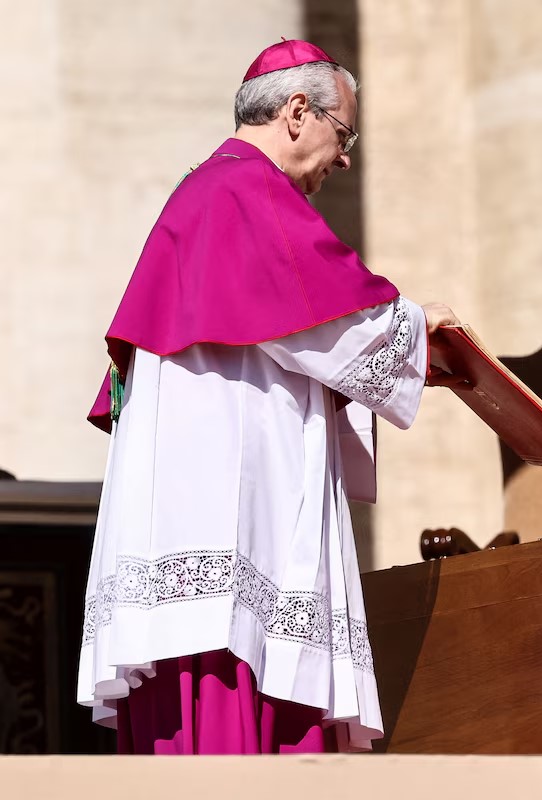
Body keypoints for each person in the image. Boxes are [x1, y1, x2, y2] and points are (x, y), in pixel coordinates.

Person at [77, 39, 461, 754]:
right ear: (296, 112)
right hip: (225, 517)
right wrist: (416, 327)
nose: (344, 160)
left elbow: (295, 333)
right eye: (343, 135)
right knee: (232, 708)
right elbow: (330, 321)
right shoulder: (243, 190)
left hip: (214, 502)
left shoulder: (211, 189)